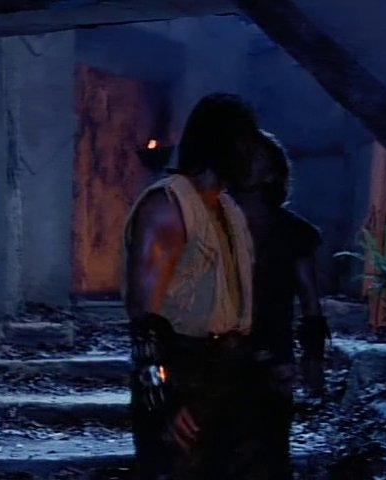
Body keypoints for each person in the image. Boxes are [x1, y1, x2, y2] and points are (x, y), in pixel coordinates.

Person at [121, 93, 261, 479]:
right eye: (244, 143)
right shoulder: (168, 206)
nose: (251, 155)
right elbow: (144, 318)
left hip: (225, 371)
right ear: (220, 143)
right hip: (184, 368)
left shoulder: (227, 209)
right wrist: (163, 397)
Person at [230, 130, 330, 480]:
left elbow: (310, 299)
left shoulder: (293, 232)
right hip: (217, 350)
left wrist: (313, 358)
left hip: (272, 350)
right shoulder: (211, 226)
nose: (243, 163)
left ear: (272, 173)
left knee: (269, 448)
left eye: (253, 157)